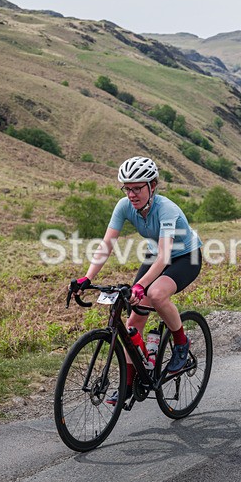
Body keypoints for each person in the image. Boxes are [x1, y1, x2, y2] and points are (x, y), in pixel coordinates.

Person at [70, 156, 203, 405]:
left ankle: (181, 345)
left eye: (137, 188)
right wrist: (87, 278)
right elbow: (107, 245)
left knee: (154, 294)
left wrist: (141, 285)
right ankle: (129, 384)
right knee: (132, 322)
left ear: (152, 186)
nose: (131, 194)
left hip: (186, 256)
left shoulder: (167, 210)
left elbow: (165, 257)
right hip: (157, 256)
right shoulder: (124, 206)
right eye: (127, 188)